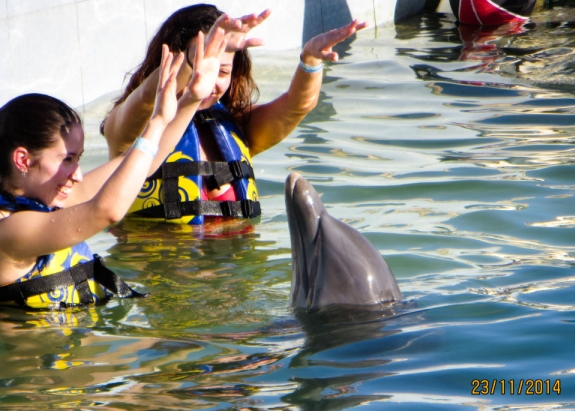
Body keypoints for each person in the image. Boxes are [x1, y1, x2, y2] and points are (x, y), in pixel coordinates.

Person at [0, 29, 228, 309]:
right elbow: (107, 211)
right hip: (58, 350)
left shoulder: (47, 205)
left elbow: (145, 164)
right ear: (23, 160)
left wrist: (191, 100)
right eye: (67, 159)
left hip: (84, 341)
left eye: (79, 159)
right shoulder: (9, 233)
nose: (78, 175)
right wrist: (154, 122)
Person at [101, 3, 367, 226]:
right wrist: (193, 60)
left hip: (236, 278)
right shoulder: (129, 130)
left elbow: (298, 106)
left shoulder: (234, 130)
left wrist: (310, 61)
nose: (210, 82)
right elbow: (148, 96)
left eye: (223, 72)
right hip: (167, 279)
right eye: (203, 68)